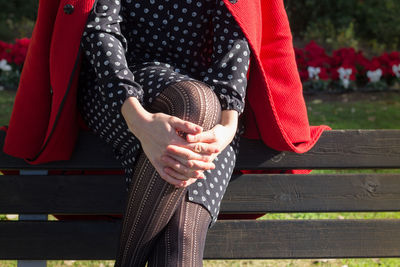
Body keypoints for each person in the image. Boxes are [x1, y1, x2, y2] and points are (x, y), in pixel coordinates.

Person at [1, 0, 330, 266]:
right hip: (117, 95)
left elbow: (237, 32)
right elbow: (102, 30)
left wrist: (227, 127)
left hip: (211, 111)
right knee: (194, 101)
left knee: (181, 238)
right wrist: (140, 121)